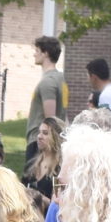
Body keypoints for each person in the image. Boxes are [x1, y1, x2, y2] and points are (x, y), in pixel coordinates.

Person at [27, 36, 66, 170]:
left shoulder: (47, 82)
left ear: (46, 53)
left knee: (32, 183)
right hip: (53, 141)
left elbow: (50, 120)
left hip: (40, 141)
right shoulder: (61, 78)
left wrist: (44, 140)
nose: (34, 54)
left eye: (37, 50)